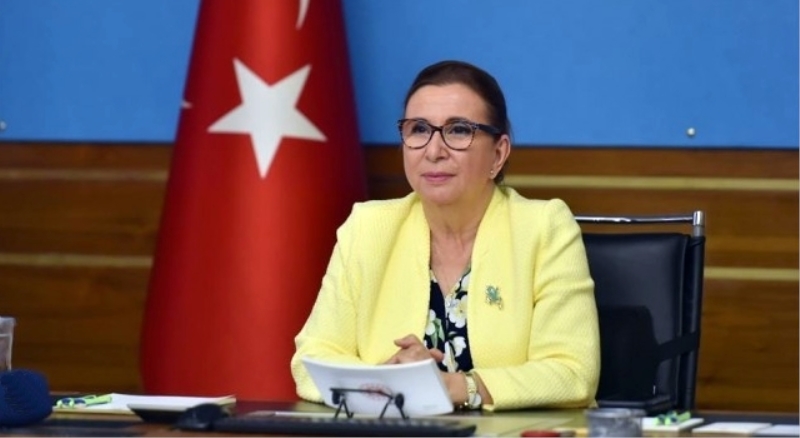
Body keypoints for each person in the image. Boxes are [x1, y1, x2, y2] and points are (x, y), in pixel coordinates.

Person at [291, 60, 600, 411]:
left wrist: (457, 387)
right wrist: (389, 384)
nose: (434, 151)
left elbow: (573, 372)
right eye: (419, 129)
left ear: (498, 154)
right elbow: (311, 358)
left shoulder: (543, 228)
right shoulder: (368, 228)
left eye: (458, 131)